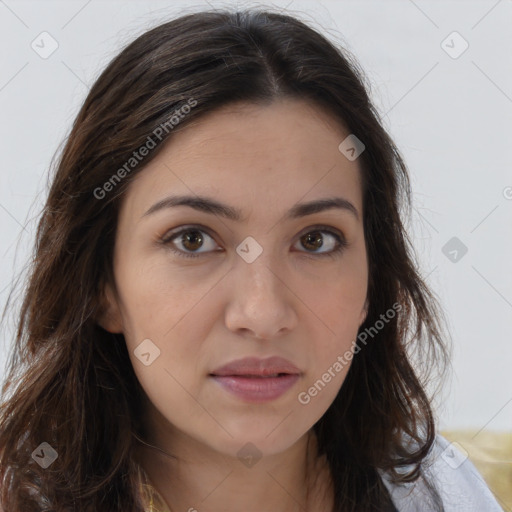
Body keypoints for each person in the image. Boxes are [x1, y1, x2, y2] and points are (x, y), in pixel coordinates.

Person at [0, 7, 503, 512]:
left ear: (372, 279)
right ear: (101, 282)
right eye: (193, 239)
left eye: (315, 240)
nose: (262, 314)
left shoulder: (440, 493)